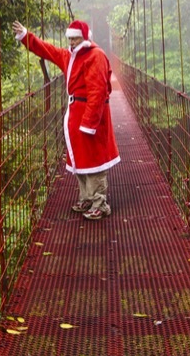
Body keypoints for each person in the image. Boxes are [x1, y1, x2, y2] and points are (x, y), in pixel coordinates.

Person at [12, 19, 120, 220]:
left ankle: (100, 203)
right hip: (75, 114)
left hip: (91, 117)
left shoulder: (96, 56)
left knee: (94, 159)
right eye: (69, 39)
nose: (71, 43)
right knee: (81, 158)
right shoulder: (69, 56)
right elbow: (47, 50)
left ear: (84, 37)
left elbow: (98, 92)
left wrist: (89, 123)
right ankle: (87, 197)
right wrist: (26, 36)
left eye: (75, 39)